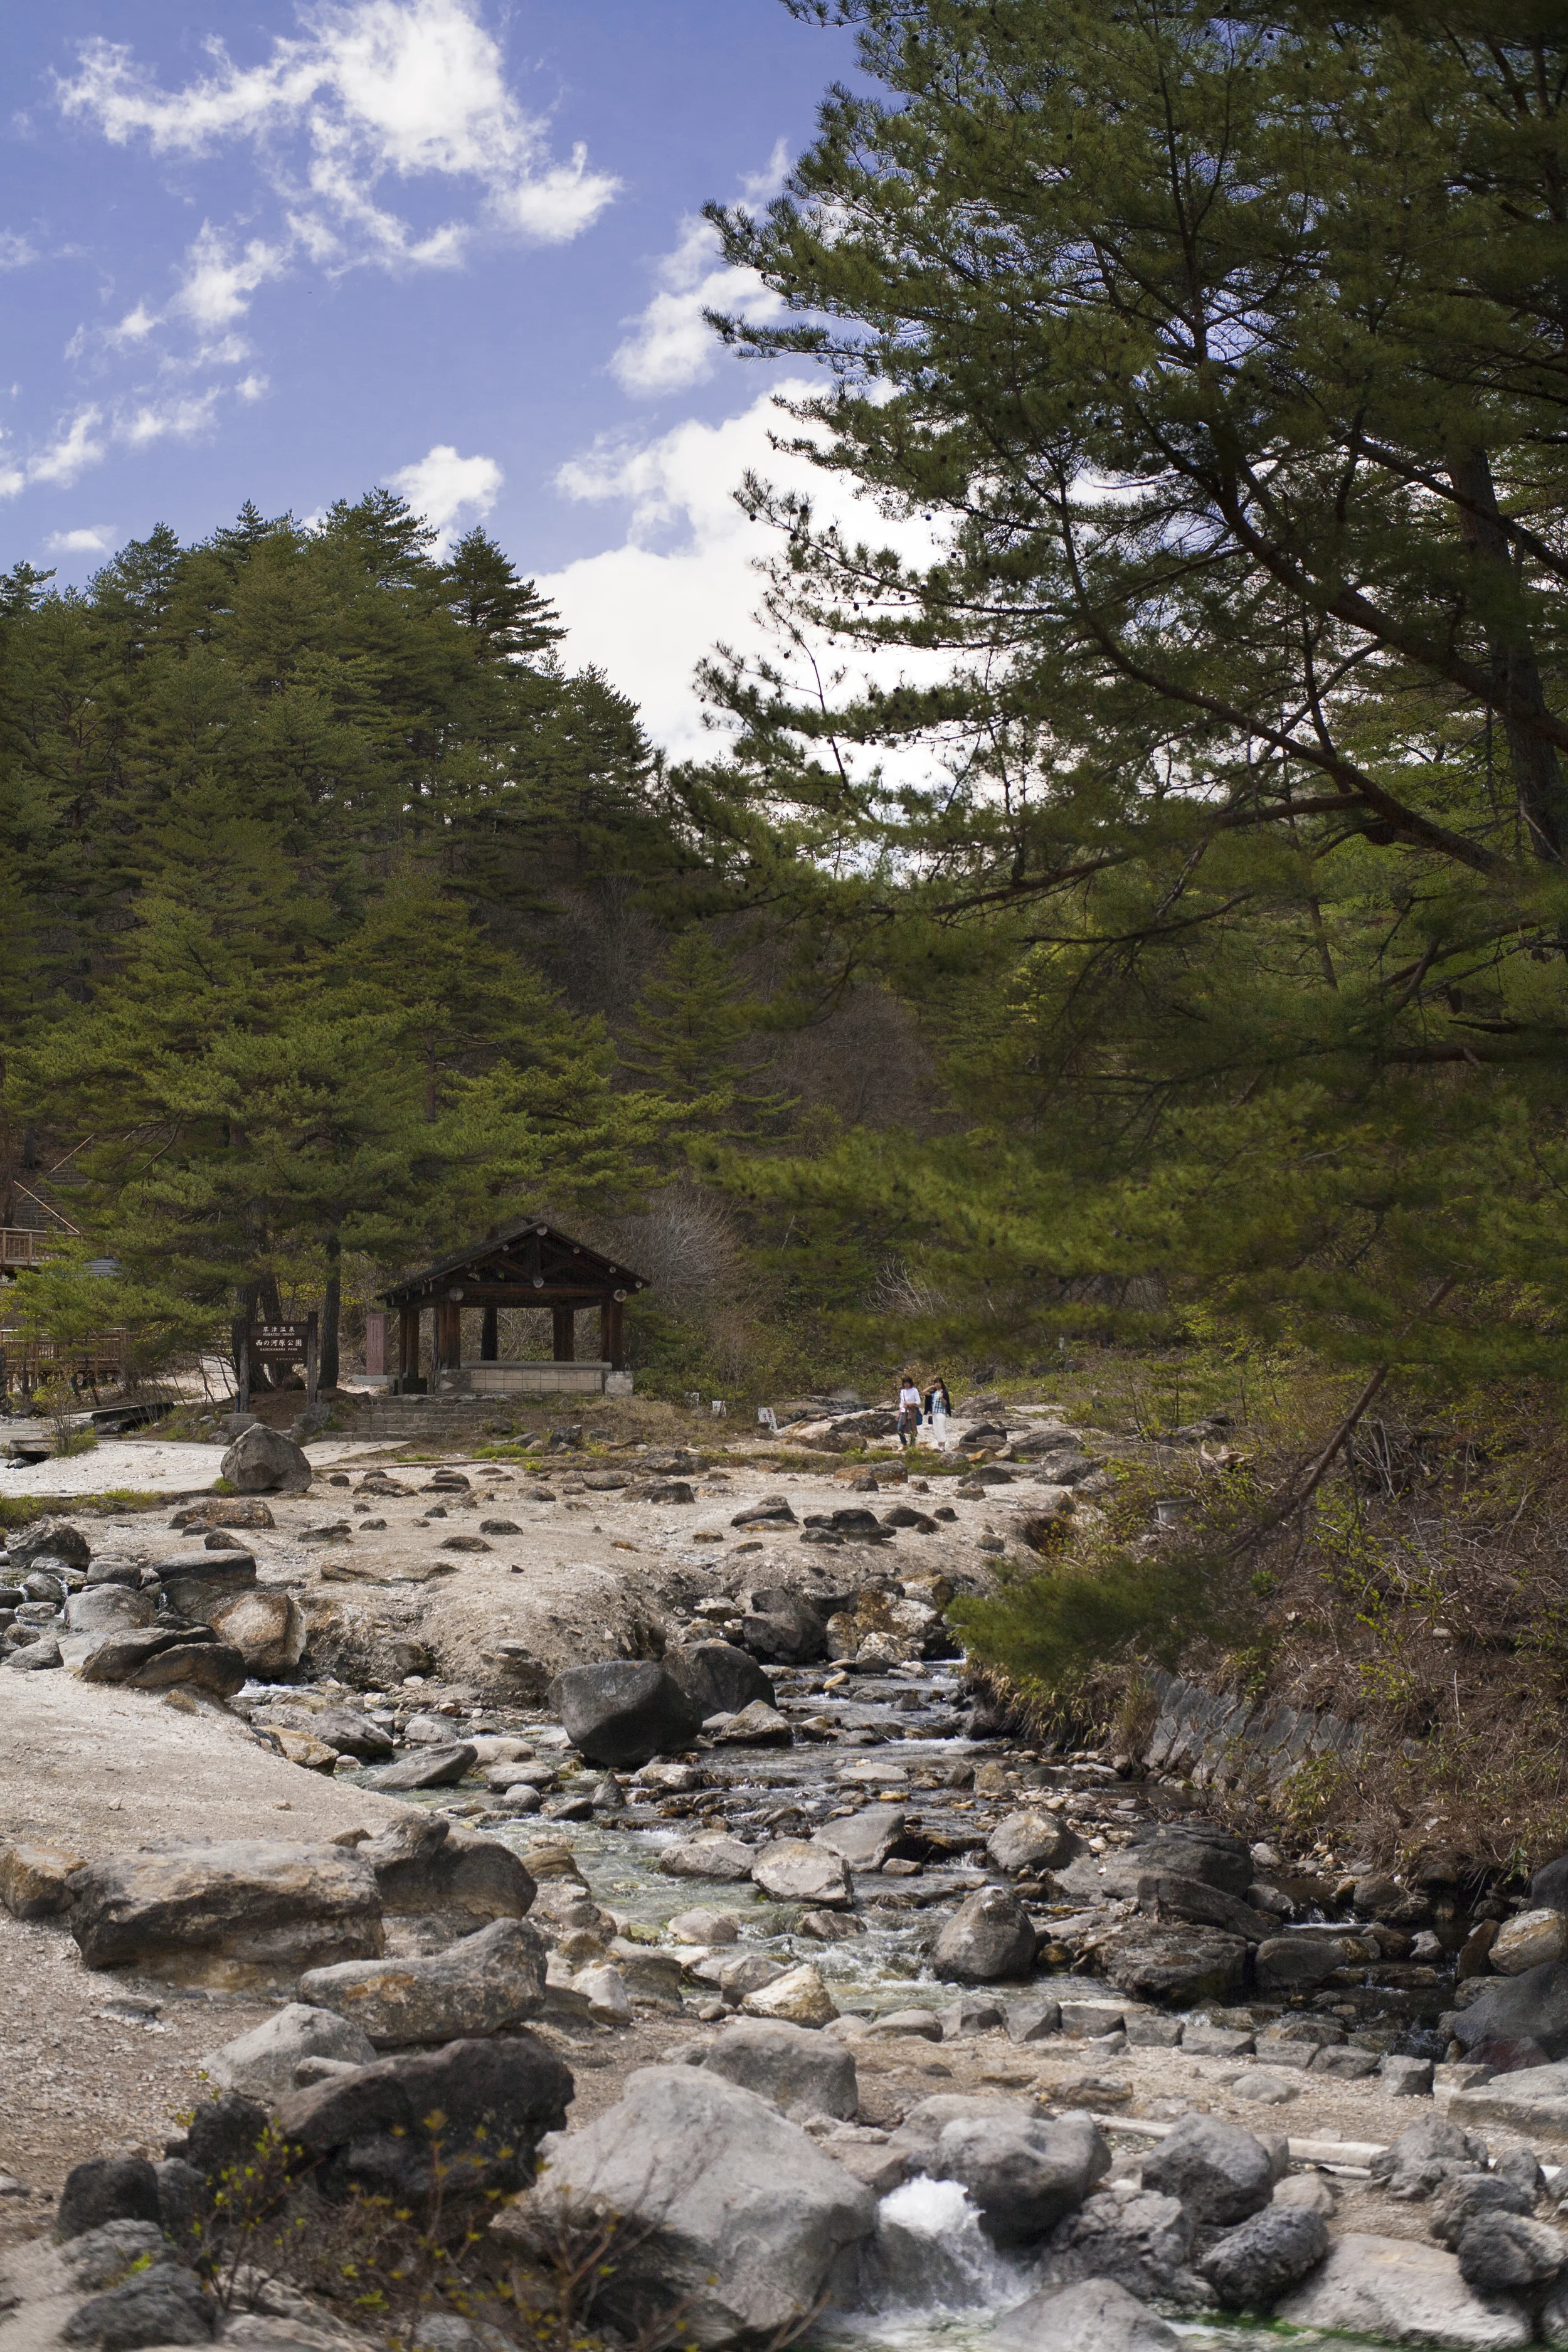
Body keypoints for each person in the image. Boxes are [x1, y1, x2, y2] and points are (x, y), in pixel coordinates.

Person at [896, 1372, 923, 1448]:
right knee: (899, 1429)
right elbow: (902, 1403)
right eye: (905, 1383)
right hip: (903, 1412)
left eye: (908, 1383)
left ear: (910, 1383)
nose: (906, 1385)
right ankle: (904, 1443)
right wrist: (898, 1414)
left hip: (911, 1412)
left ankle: (912, 1445)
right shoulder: (902, 1391)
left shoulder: (914, 1390)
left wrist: (909, 1404)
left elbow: (918, 1402)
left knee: (912, 1429)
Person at [924, 1375, 952, 1449]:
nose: (937, 1384)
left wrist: (941, 1398)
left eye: (938, 1383)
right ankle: (939, 1445)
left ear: (941, 1384)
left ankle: (943, 1446)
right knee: (936, 1429)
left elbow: (946, 1403)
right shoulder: (934, 1393)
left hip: (941, 1413)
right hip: (934, 1413)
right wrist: (931, 1387)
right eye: (936, 1383)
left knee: (941, 1429)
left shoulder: (944, 1392)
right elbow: (923, 1392)